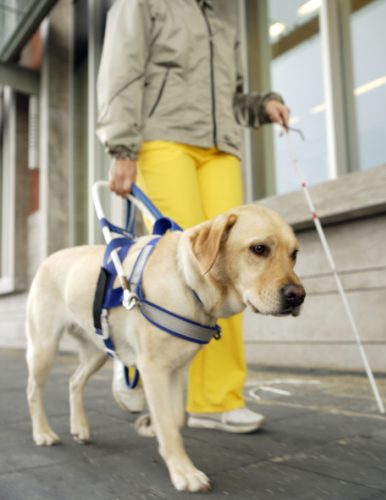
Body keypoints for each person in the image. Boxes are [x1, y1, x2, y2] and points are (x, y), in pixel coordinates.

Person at [96, 0, 290, 433]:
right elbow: (120, 71)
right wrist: (122, 148)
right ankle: (143, 370)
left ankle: (217, 398)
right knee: (179, 266)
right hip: (164, 139)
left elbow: (234, 99)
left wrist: (264, 106)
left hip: (220, 149)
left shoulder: (221, 23)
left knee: (236, 266)